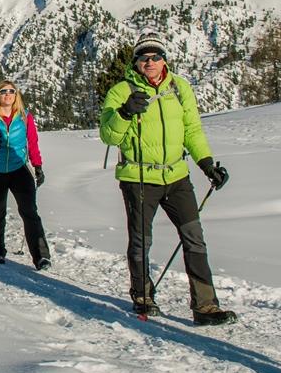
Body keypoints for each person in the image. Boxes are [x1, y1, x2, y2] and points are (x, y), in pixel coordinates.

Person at [99, 30, 236, 325]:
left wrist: (207, 164)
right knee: (141, 241)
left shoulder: (179, 87)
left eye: (155, 56)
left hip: (177, 176)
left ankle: (205, 307)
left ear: (164, 60)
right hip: (138, 177)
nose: (150, 62)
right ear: (135, 62)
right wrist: (123, 113)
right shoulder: (121, 92)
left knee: (194, 238)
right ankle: (143, 296)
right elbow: (108, 136)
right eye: (143, 57)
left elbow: (192, 130)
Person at [0, 80, 52, 270]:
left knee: (29, 212)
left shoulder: (24, 117)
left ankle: (41, 256)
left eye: (11, 91)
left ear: (16, 95)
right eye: (3, 91)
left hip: (19, 169)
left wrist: (38, 166)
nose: (7, 95)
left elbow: (32, 143)